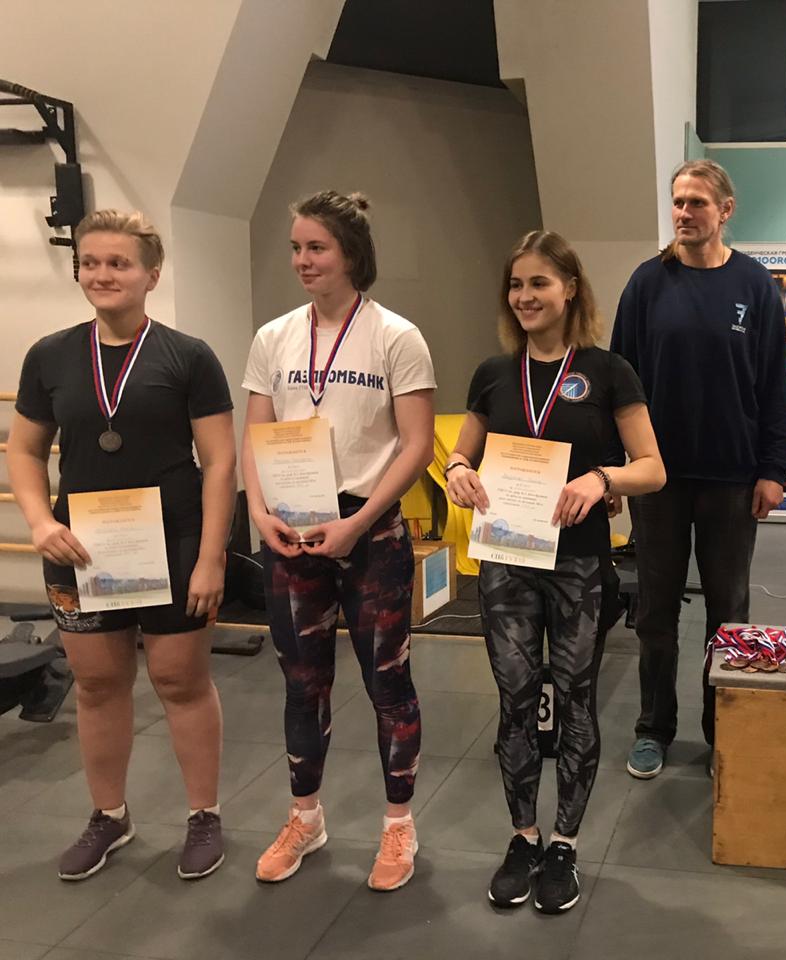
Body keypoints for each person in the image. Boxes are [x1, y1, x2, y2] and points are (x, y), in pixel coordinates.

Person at [8, 209, 236, 881]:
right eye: (91, 262)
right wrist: (39, 522)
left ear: (151, 275)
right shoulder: (50, 355)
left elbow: (219, 462)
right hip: (82, 547)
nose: (103, 274)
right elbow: (25, 450)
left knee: (179, 681)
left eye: (119, 263)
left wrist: (211, 557)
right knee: (97, 683)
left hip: (173, 540)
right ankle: (109, 816)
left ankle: (203, 815)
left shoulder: (188, 355)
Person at [446, 230, 664, 913]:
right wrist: (457, 471)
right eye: (516, 285)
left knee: (574, 699)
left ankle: (564, 844)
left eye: (538, 283)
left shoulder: (609, 371)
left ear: (570, 288)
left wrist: (601, 479)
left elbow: (652, 468)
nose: (525, 296)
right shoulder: (492, 373)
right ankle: (523, 837)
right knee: (514, 701)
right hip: (507, 563)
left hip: (578, 564)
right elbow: (462, 453)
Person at [242, 191, 435, 892]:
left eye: (316, 247)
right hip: (292, 530)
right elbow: (255, 435)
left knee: (388, 683)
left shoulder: (396, 336)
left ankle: (398, 824)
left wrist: (359, 521)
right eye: (296, 247)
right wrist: (258, 512)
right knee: (302, 684)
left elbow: (416, 446)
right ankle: (306, 817)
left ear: (351, 254)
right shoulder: (273, 337)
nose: (302, 260)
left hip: (370, 530)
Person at [610, 159, 786, 780]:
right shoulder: (646, 283)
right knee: (656, 611)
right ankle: (653, 727)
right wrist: (615, 470)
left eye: (697, 203)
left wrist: (773, 469)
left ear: (725, 210)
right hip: (657, 478)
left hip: (732, 478)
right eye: (678, 202)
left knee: (729, 611)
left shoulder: (755, 285)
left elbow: (775, 385)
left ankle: (726, 731)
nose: (684, 213)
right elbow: (619, 383)